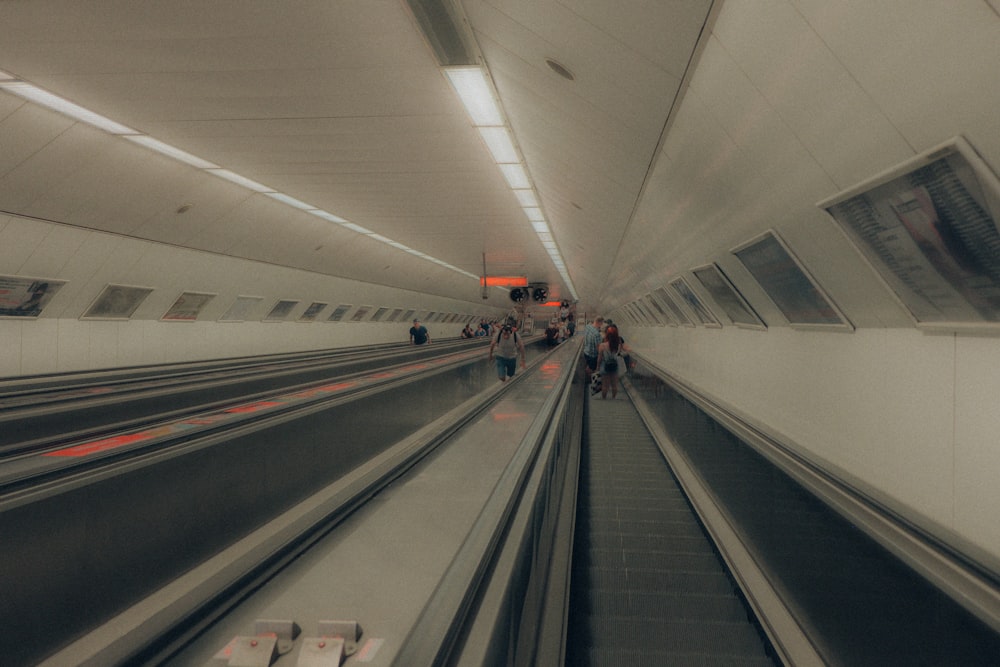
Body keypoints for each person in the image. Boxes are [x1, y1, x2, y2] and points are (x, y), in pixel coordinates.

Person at [596, 324, 630, 399]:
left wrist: (597, 367)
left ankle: (604, 398)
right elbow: (624, 351)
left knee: (605, 385)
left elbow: (599, 358)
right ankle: (613, 398)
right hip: (615, 365)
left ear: (607, 335)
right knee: (614, 385)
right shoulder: (618, 344)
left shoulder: (602, 345)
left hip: (605, 365)